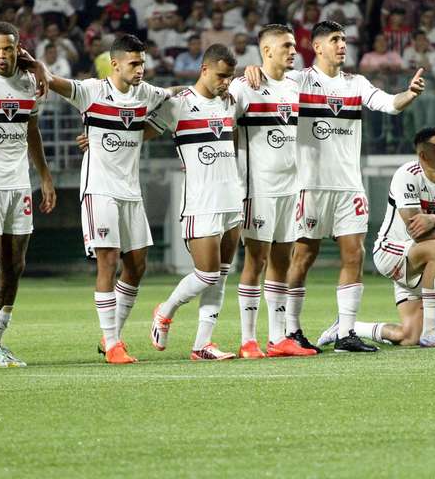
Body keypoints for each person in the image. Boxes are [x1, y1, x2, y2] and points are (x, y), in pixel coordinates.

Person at [246, 20, 426, 353]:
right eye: (334, 39)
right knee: (303, 256)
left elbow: (388, 104)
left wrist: (409, 95)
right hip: (309, 186)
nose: (342, 44)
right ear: (316, 47)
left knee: (353, 254)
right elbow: (267, 77)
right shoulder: (298, 81)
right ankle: (292, 330)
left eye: (344, 39)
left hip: (348, 186)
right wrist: (253, 69)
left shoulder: (356, 83)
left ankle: (346, 333)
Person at [39, 35, 172, 364]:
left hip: (131, 190)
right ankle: (113, 344)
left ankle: (111, 336)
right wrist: (34, 65)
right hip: (99, 188)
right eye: (134, 63)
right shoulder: (92, 91)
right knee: (108, 261)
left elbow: (178, 99)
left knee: (137, 266)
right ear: (115, 64)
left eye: (142, 63)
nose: (141, 69)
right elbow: (53, 81)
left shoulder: (148, 94)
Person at [0, 21, 56, 368]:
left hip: (20, 185)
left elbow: (31, 129)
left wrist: (44, 177)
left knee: (16, 265)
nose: (1, 56)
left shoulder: (30, 81)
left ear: (19, 48)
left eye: (7, 49)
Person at [334, 127, 435, 348]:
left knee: (408, 337)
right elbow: (417, 231)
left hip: (418, 261)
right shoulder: (407, 174)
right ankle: (432, 330)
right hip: (391, 251)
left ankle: (346, 327)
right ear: (423, 155)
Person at [227, 24, 317, 359]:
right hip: (257, 188)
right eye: (286, 46)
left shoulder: (296, 85)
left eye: (294, 45)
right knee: (256, 259)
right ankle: (248, 339)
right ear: (266, 51)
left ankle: (278, 338)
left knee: (282, 259)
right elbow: (218, 116)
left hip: (290, 187)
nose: (293, 51)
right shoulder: (244, 86)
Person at [148, 44, 242, 361]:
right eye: (221, 76)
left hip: (232, 200)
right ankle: (166, 309)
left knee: (223, 274)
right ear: (204, 70)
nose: (226, 83)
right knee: (207, 275)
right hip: (201, 202)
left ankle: (203, 344)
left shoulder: (229, 103)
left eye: (230, 77)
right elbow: (139, 133)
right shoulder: (179, 105)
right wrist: (96, 139)